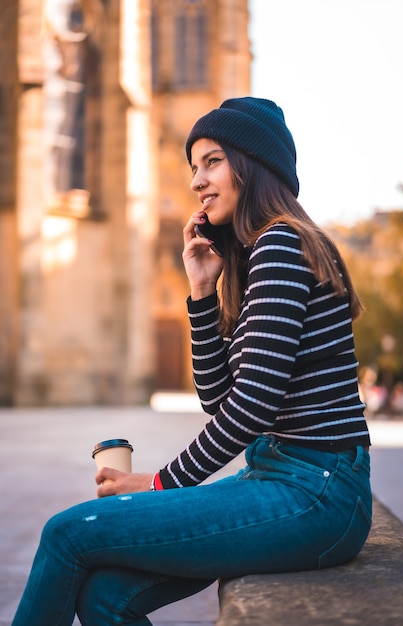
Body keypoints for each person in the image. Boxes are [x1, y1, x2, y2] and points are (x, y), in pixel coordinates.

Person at [12, 97, 372, 626]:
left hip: (316, 491)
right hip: (279, 475)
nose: (196, 181)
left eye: (212, 161)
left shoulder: (281, 245)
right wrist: (202, 292)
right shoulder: (257, 259)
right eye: (193, 167)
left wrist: (159, 483)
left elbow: (249, 407)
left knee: (68, 531)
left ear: (253, 166)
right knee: (106, 596)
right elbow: (219, 399)